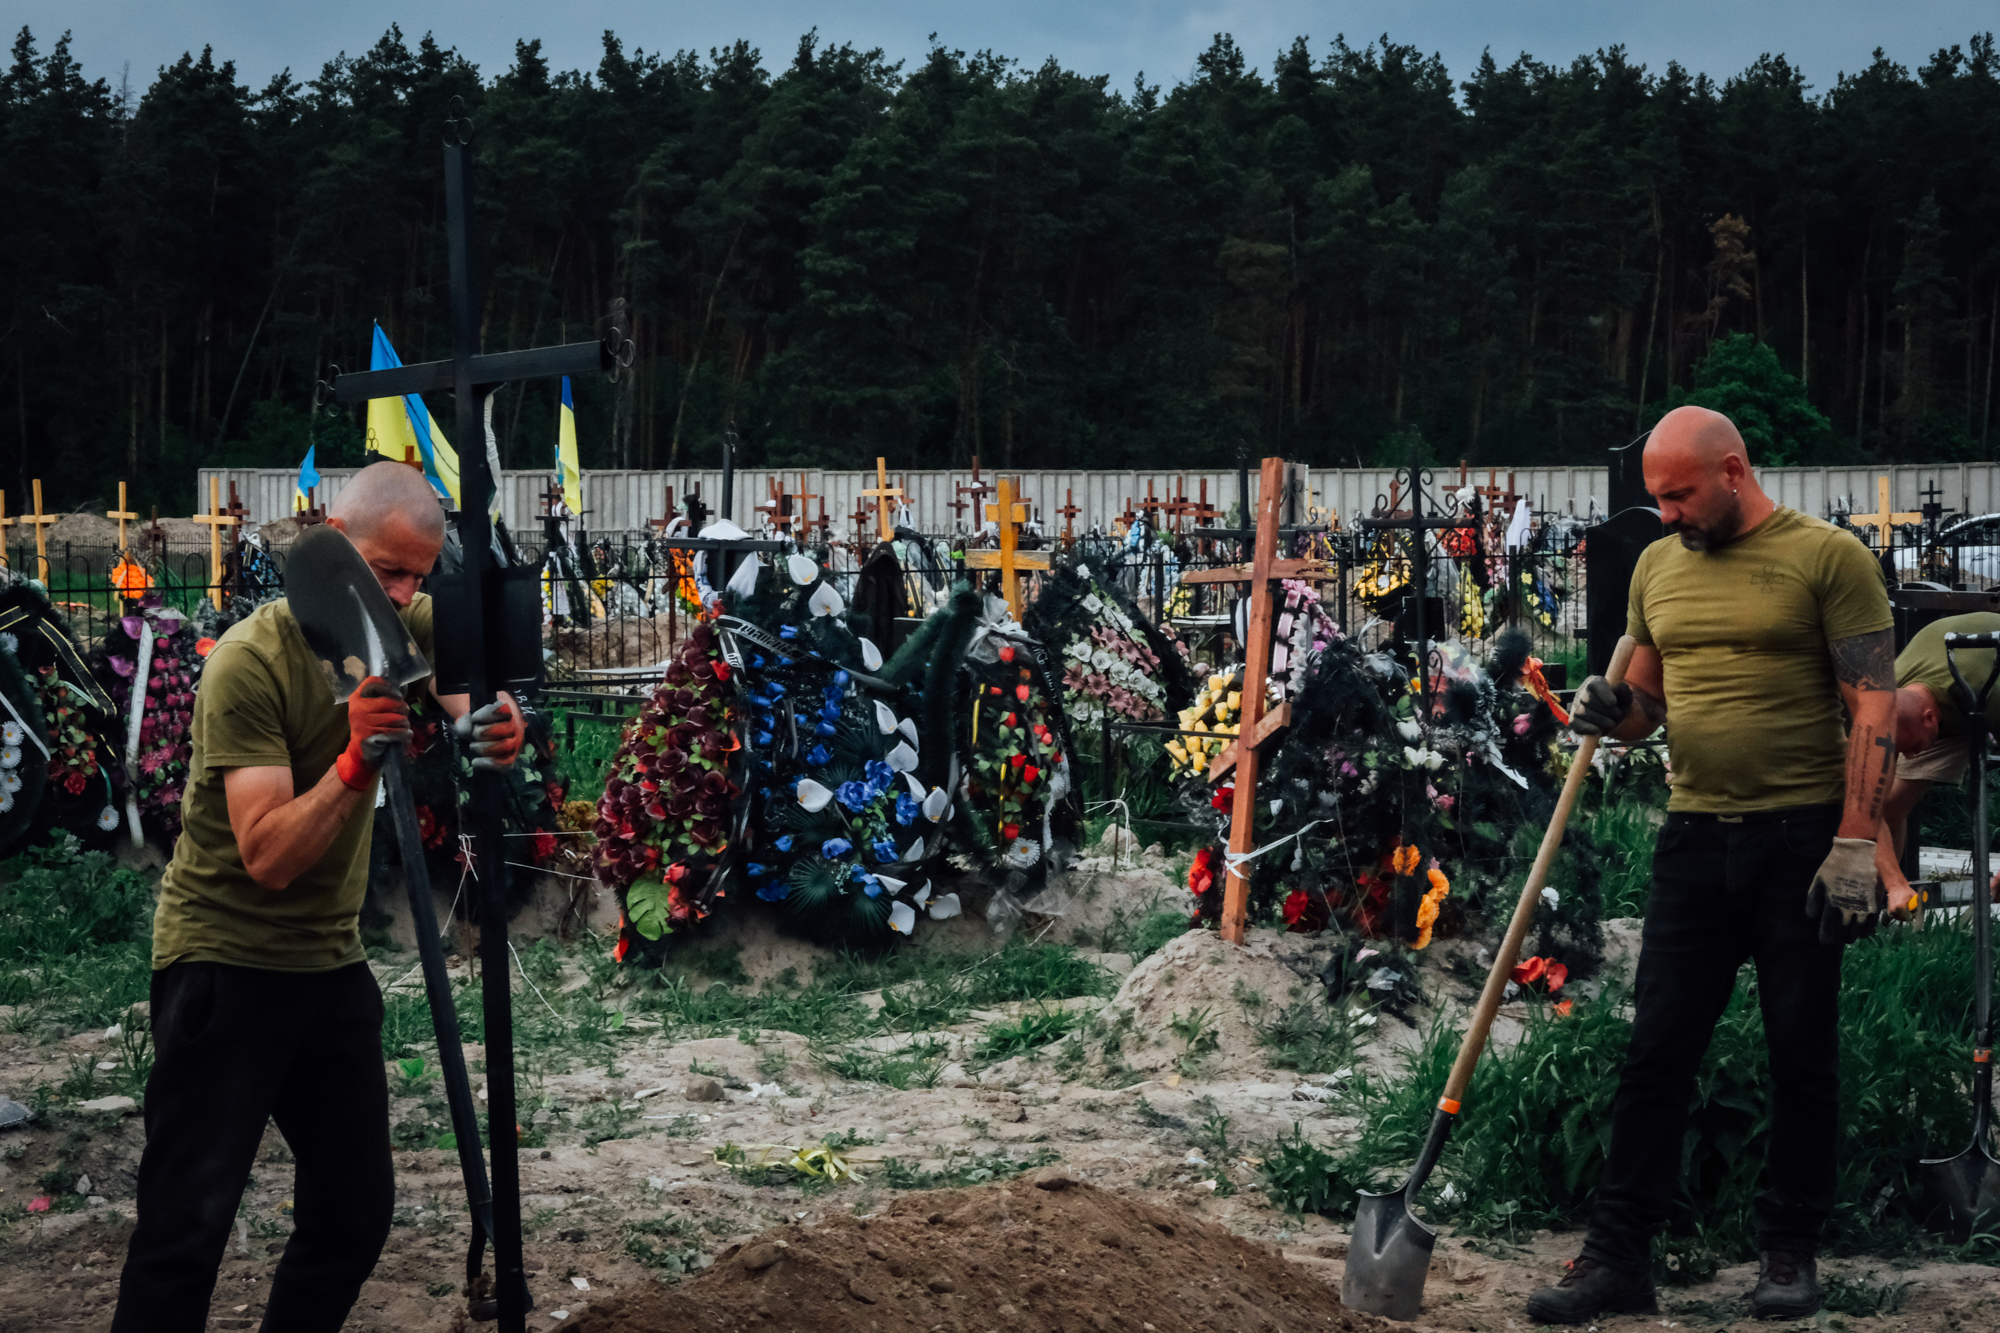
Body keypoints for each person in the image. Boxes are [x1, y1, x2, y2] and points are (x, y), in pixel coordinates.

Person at [111, 461, 525, 1333]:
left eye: (417, 576)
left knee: (352, 1213)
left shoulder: (396, 621)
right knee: (186, 1229)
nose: (402, 594)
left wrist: (487, 720)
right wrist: (353, 762)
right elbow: (267, 854)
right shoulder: (248, 663)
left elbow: (464, 683)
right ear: (333, 546)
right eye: (387, 571)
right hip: (223, 962)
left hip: (328, 964)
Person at [1527, 406, 1897, 1324]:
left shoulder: (1828, 558)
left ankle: (1790, 1248)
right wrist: (1609, 709)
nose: (1666, 513)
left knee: (1800, 1049)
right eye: (1657, 497)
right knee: (1656, 1049)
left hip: (1801, 839)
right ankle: (1617, 1258)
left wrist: (1856, 842)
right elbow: (1645, 704)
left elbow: (1874, 706)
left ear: (1734, 471)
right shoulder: (1657, 567)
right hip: (1694, 836)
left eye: (1680, 494)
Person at [1878, 612, 2000, 908]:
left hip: (1986, 686)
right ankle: (1881, 903)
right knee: (1888, 802)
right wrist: (1894, 883)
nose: (1910, 755)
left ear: (1929, 718)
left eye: (1911, 747)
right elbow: (1867, 801)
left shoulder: (1992, 694)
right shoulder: (1889, 695)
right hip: (1948, 706)